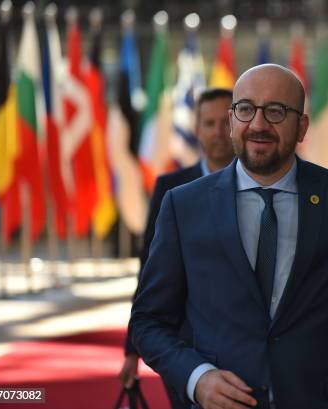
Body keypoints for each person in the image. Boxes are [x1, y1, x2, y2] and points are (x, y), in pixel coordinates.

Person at [130, 64, 328, 409]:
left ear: (301, 127)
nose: (258, 124)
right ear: (231, 121)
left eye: (276, 111)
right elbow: (148, 321)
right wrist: (197, 378)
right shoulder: (184, 206)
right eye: (246, 109)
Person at [119, 88, 235, 408]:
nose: (218, 132)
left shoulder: (267, 184)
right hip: (187, 348)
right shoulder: (171, 189)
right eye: (208, 124)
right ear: (196, 130)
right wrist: (132, 349)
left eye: (224, 122)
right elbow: (149, 270)